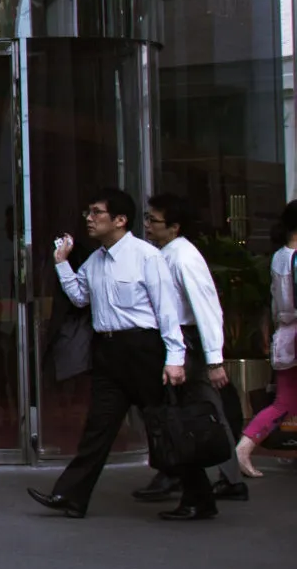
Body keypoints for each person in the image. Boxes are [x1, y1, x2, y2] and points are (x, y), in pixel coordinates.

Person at [28, 188, 216, 521]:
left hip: (144, 350)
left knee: (166, 425)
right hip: (108, 351)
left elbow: (167, 311)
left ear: (120, 220)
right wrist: (62, 263)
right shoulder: (95, 260)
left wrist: (175, 359)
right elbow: (80, 298)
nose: (89, 219)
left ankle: (199, 497)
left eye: (96, 212)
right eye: (88, 212)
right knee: (98, 427)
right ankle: (71, 496)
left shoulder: (147, 256)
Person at [127, 195, 250, 503]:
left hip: (187, 342)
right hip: (182, 341)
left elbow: (206, 308)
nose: (147, 226)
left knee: (185, 410)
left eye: (153, 220)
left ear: (174, 226)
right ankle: (223, 479)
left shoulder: (183, 257)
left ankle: (181, 474)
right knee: (200, 410)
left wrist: (214, 360)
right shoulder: (166, 253)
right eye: (147, 218)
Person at [235, 200, 297, 478]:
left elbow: (275, 304)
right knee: (285, 401)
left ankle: (244, 448)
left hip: (287, 337)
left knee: (284, 402)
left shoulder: (280, 257)